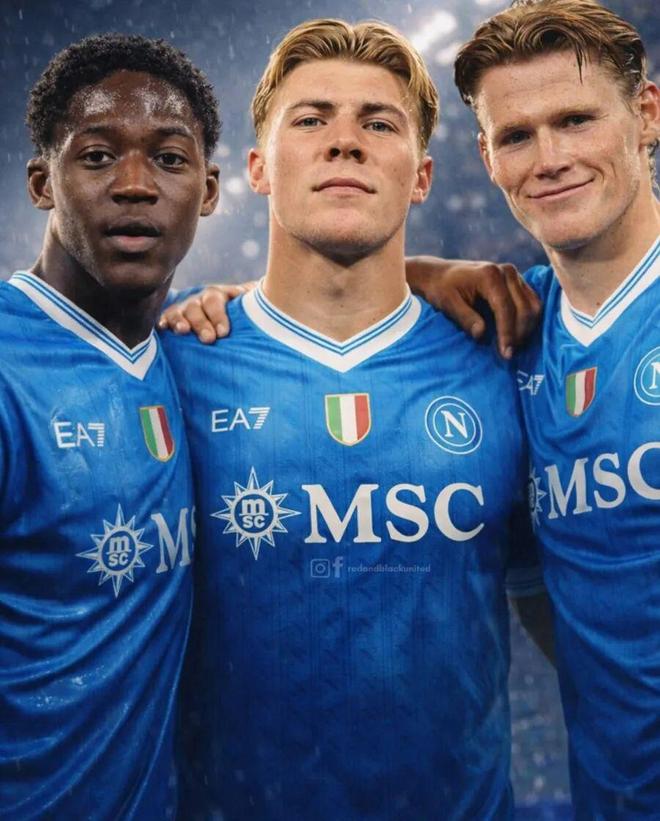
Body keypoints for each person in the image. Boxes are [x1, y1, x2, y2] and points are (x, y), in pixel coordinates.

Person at [163, 19, 546, 820]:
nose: (345, 141)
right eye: (311, 119)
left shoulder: (505, 354)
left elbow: (555, 597)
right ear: (259, 169)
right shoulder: (173, 362)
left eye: (379, 123)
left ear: (422, 176)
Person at [448, 1, 660, 815]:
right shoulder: (507, 343)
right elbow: (536, 583)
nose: (550, 158)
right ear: (487, 156)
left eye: (575, 120)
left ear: (646, 114)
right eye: (516, 136)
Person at [0, 34, 219, 818]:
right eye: (96, 157)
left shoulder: (197, 349)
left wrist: (430, 273)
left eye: (168, 158)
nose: (134, 185)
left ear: (209, 190)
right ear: (42, 182)